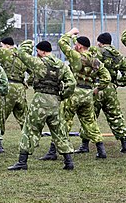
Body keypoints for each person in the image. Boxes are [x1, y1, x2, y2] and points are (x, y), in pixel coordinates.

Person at [8, 40, 77, 170]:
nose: (37, 53)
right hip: (55, 101)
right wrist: (62, 96)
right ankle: (69, 162)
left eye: (38, 51)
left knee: (30, 129)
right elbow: (72, 83)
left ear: (43, 51)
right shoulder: (62, 65)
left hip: (40, 100)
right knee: (59, 131)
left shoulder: (38, 63)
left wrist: (29, 43)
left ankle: (22, 162)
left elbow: (21, 53)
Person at [55, 28, 111, 159]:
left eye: (76, 44)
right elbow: (107, 78)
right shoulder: (95, 61)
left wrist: (70, 33)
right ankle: (101, 150)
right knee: (90, 122)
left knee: (65, 120)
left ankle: (54, 150)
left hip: (74, 93)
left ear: (80, 46)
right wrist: (97, 88)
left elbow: (61, 42)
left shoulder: (75, 56)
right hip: (88, 94)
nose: (74, 46)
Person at [0, 37, 32, 150]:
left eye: (1, 45)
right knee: (24, 116)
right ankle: (30, 138)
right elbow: (33, 72)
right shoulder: (23, 54)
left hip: (8, 87)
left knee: (0, 115)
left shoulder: (4, 52)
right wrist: (27, 82)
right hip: (20, 88)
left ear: (5, 45)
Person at [88, 32, 126, 154]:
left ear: (100, 42)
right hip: (111, 88)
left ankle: (85, 144)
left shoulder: (97, 52)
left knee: (89, 116)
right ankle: (124, 144)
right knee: (115, 116)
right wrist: (118, 83)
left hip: (97, 87)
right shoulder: (118, 55)